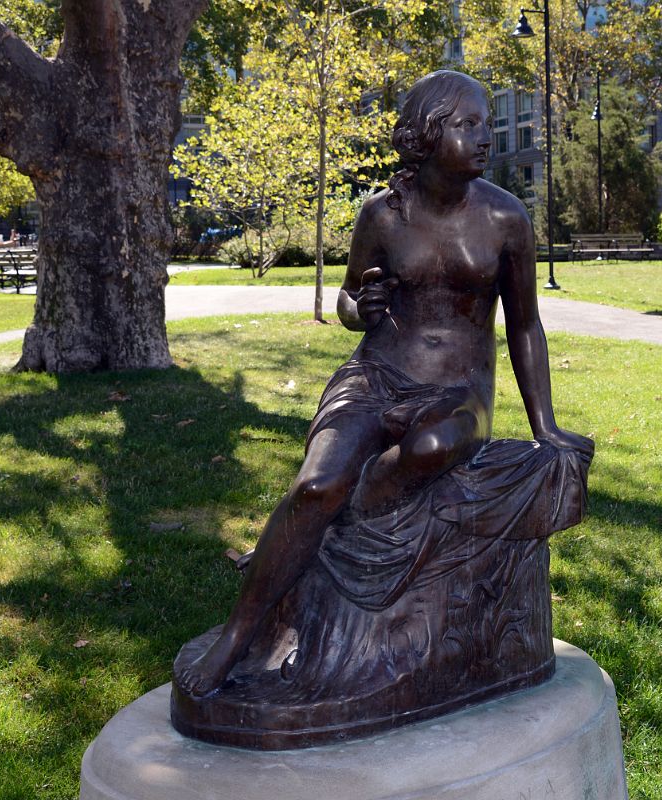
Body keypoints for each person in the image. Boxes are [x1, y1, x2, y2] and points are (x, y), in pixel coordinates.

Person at [175, 70, 590, 698]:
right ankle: (240, 633)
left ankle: (333, 539)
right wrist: (356, 310)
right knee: (316, 485)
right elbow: (349, 296)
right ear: (428, 134)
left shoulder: (505, 217)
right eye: (469, 123)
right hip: (374, 376)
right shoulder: (382, 214)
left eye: (486, 121)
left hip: (458, 392)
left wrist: (545, 427)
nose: (487, 136)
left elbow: (526, 324)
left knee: (425, 452)